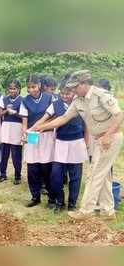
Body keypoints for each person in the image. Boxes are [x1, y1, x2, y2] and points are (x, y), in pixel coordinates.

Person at [35, 70, 124, 220]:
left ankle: (85, 211)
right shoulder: (78, 101)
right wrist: (42, 127)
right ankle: (108, 211)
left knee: (94, 174)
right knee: (104, 175)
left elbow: (120, 114)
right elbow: (64, 118)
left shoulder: (101, 95)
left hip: (110, 139)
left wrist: (108, 136)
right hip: (98, 140)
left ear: (84, 84)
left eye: (75, 87)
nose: (73, 90)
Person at [32, 75, 88, 213]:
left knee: (75, 175)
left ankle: (72, 203)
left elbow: (87, 125)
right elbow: (43, 119)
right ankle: (59, 202)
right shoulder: (55, 104)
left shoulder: (80, 103)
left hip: (76, 143)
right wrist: (31, 129)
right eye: (62, 93)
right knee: (56, 175)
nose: (64, 96)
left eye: (68, 93)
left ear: (73, 92)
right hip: (60, 143)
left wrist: (86, 142)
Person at [20, 74, 55, 208]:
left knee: (46, 166)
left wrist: (42, 127)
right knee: (32, 166)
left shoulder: (49, 98)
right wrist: (24, 134)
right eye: (28, 87)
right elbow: (24, 121)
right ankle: (35, 196)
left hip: (47, 134)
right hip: (33, 135)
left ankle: (52, 198)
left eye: (33, 86)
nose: (31, 90)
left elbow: (54, 117)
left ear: (39, 85)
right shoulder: (25, 100)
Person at [0, 78, 23, 184]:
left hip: (17, 127)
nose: (12, 91)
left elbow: (24, 116)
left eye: (15, 89)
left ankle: (17, 175)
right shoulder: (4, 99)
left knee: (16, 153)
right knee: (4, 152)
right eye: (11, 89)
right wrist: (6, 111)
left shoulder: (23, 100)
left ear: (19, 89)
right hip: (6, 126)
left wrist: (14, 113)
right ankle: (3, 174)